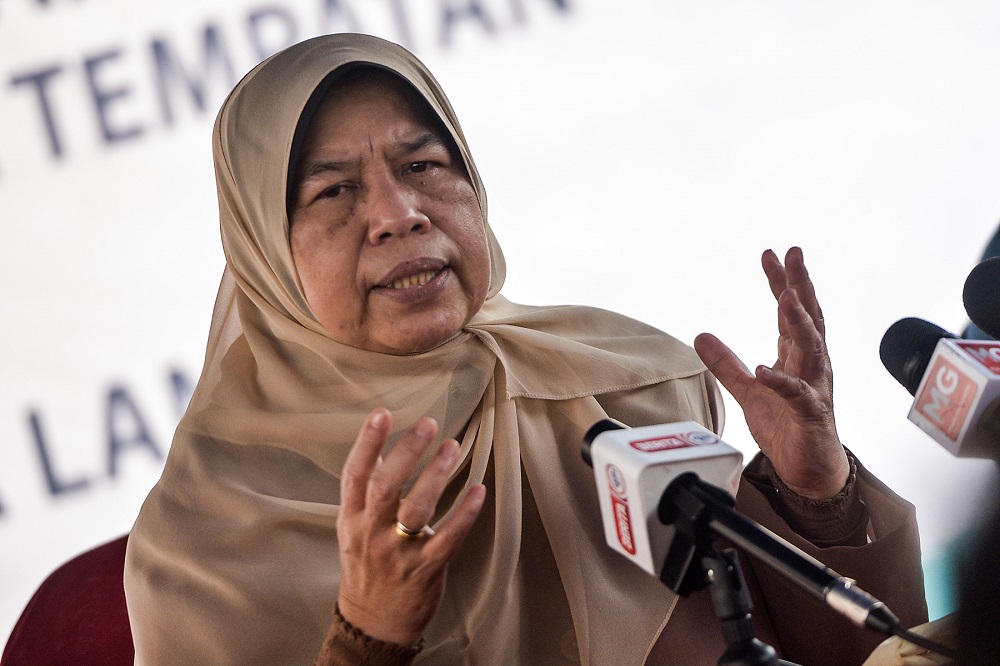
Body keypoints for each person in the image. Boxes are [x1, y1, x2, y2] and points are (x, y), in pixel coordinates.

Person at [123, 33, 927, 665]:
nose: (399, 213)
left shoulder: (630, 386)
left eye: (424, 165)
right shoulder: (206, 536)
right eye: (334, 190)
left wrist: (814, 494)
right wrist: (366, 635)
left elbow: (854, 656)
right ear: (266, 251)